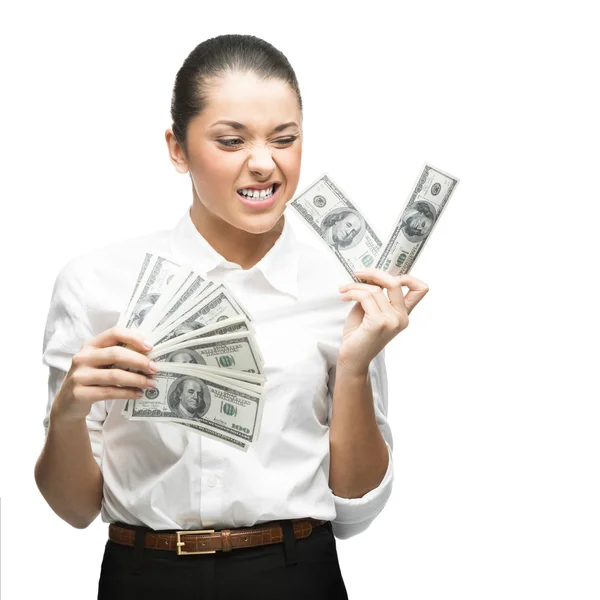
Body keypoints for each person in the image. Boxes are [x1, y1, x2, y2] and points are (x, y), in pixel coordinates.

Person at [34, 34, 429, 599]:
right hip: (144, 578)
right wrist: (69, 412)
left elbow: (356, 506)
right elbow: (72, 508)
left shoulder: (343, 290)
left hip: (297, 575)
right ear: (177, 148)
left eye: (285, 139)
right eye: (230, 140)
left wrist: (356, 365)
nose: (264, 163)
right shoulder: (96, 282)